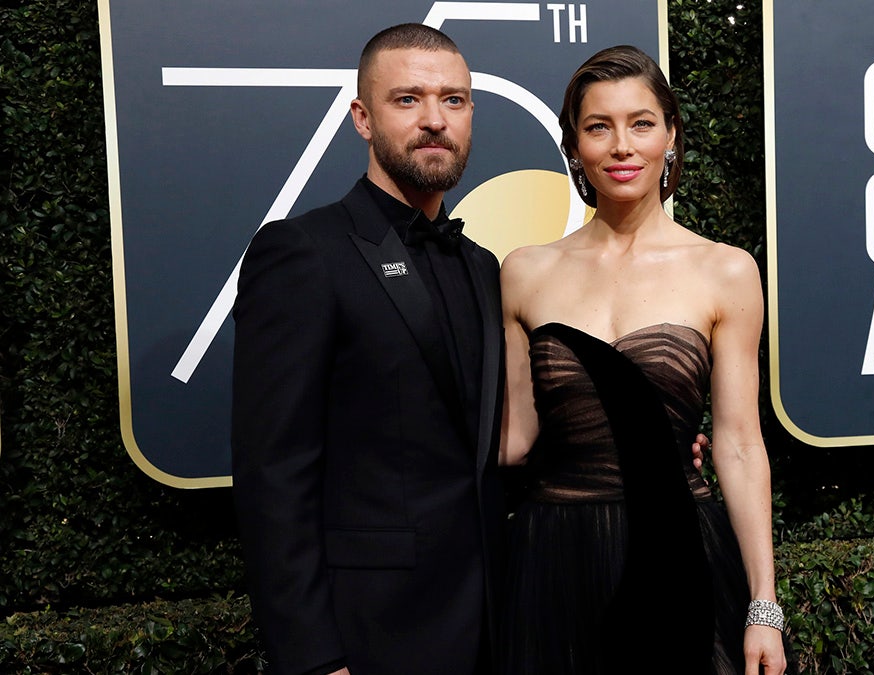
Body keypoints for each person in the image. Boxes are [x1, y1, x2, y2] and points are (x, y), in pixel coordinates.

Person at [498, 45, 794, 675]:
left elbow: (739, 445)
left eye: (641, 123)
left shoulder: (726, 271)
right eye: (598, 126)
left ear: (670, 135)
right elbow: (512, 440)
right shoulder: (523, 272)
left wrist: (763, 606)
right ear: (574, 146)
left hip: (676, 550)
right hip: (554, 557)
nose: (622, 146)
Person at [231, 23, 505, 675]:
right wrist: (313, 655)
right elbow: (274, 472)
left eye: (454, 100)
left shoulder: (485, 266)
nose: (435, 120)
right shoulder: (303, 252)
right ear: (362, 117)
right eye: (407, 99)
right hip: (372, 634)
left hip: (494, 623)